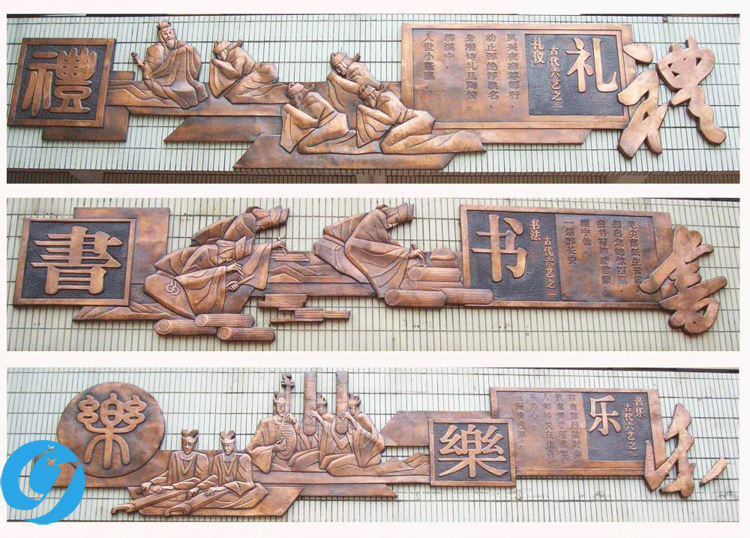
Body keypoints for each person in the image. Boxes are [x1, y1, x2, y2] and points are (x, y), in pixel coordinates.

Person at [145, 207, 288, 318]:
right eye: (229, 257)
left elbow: (246, 251)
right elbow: (188, 278)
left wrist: (227, 287)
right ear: (225, 250)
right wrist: (225, 270)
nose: (228, 260)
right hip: (172, 283)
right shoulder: (205, 252)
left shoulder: (225, 252)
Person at [355, 84, 484, 154]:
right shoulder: (383, 97)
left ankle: (461, 140)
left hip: (419, 119)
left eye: (366, 101)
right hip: (417, 120)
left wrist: (367, 111)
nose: (367, 104)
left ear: (371, 96)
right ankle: (425, 141)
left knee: (386, 145)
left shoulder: (384, 99)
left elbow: (391, 119)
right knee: (387, 145)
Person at [165, 431, 268, 516]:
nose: (226, 448)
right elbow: (214, 478)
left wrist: (222, 488)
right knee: (207, 494)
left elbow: (247, 483)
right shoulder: (218, 458)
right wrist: (198, 487)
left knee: (212, 496)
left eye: (228, 445)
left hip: (236, 492)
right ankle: (185, 506)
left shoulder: (243, 458)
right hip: (219, 492)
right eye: (224, 445)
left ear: (233, 444)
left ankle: (186, 506)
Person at [131, 20, 207, 108]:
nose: (169, 36)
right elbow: (154, 71)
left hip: (182, 79)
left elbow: (196, 60)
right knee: (190, 91)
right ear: (161, 36)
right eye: (165, 34)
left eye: (170, 32)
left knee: (199, 87)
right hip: (162, 79)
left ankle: (186, 83)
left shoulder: (180, 45)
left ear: (174, 33)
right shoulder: (156, 49)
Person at [280, 83, 370, 154]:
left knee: (302, 147)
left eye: (293, 98)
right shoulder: (310, 97)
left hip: (334, 125)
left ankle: (337, 148)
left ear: (299, 95)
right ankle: (342, 141)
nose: (293, 102)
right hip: (334, 124)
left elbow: (313, 123)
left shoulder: (311, 98)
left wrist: (291, 111)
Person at [208, 40, 288, 103]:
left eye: (219, 54)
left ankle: (278, 93)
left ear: (224, 50)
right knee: (233, 95)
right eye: (217, 56)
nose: (219, 58)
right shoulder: (232, 53)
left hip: (264, 72)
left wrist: (219, 64)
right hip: (263, 71)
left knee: (233, 96)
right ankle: (274, 91)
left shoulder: (236, 53)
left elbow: (236, 73)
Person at [246, 393, 300, 472]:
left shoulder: (291, 423)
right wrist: (273, 448)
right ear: (275, 407)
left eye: (284, 406)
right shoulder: (265, 423)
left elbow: (300, 444)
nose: (282, 409)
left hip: (289, 461)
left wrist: (295, 423)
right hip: (272, 461)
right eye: (279, 406)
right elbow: (250, 449)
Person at [288, 394, 336, 471]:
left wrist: (318, 417)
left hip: (326, 451)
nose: (317, 410)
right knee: (293, 460)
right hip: (317, 448)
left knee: (299, 462)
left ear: (325, 407)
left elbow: (331, 430)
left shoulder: (328, 417)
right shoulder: (314, 419)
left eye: (319, 407)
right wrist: (295, 423)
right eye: (316, 407)